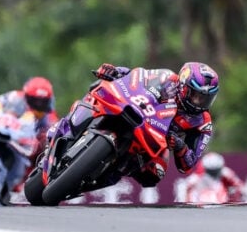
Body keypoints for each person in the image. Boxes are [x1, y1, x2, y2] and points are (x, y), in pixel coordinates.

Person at [84, 61, 220, 188]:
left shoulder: (203, 122)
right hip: (137, 113)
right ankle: (75, 124)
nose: (200, 103)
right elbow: (137, 76)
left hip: (155, 141)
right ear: (183, 86)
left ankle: (112, 174)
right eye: (196, 95)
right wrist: (115, 71)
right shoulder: (167, 78)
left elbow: (188, 165)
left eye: (206, 99)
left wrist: (180, 146)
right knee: (99, 87)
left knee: (155, 173)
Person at [0, 77, 58, 190]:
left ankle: (21, 185)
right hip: (5, 132)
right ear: (27, 96)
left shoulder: (48, 114)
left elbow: (53, 128)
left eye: (43, 102)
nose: (38, 104)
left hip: (27, 145)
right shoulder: (14, 97)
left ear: (48, 101)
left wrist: (45, 139)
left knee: (41, 158)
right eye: (35, 100)